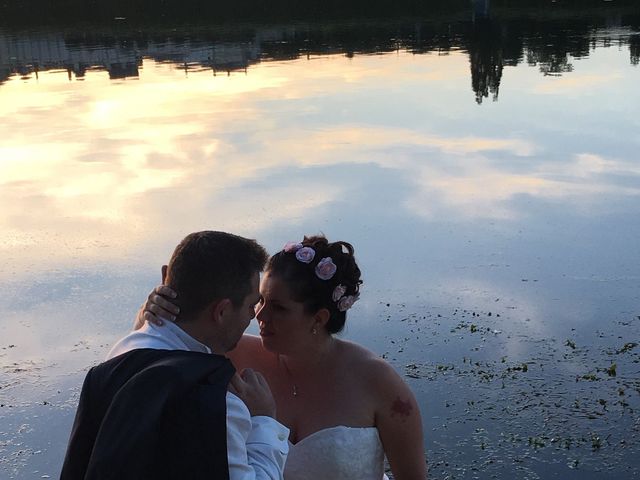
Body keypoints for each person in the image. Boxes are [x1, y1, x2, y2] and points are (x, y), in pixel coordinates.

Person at [140, 235, 428, 479]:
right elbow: (146, 363)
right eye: (260, 300)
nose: (259, 315)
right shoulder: (231, 353)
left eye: (278, 308)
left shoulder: (377, 381)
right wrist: (152, 310)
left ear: (319, 318)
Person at [61, 231, 289, 480]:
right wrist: (263, 421)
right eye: (250, 305)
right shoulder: (218, 403)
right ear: (222, 312)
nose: (252, 317)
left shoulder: (116, 357)